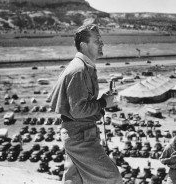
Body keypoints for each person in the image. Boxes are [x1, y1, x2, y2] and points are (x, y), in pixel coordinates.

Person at [49, 24, 122, 184]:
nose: (102, 44)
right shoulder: (79, 70)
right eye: (97, 41)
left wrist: (100, 103)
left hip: (78, 134)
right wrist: (103, 102)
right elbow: (78, 110)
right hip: (80, 137)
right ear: (83, 45)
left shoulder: (83, 67)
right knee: (112, 177)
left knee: (74, 181)